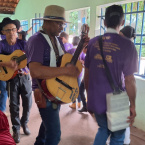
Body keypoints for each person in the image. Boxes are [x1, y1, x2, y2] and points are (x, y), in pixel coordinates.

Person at [26, 5, 83, 145]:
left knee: (46, 130)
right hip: (43, 92)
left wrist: (80, 47)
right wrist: (66, 71)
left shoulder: (57, 40)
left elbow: (62, 62)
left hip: (56, 89)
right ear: (48, 21)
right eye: (59, 23)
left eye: (63, 24)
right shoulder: (36, 40)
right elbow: (35, 71)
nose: (62, 27)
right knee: (54, 135)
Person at [84, 5, 138, 145]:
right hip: (117, 100)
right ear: (122, 22)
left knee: (103, 129)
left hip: (97, 97)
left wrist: (89, 98)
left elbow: (87, 74)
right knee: (118, 136)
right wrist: (132, 105)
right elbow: (130, 80)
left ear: (104, 22)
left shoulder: (93, 43)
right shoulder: (128, 45)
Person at [0, 17, 32, 143]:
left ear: (17, 30)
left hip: (25, 77)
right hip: (11, 79)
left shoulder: (23, 43)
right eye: (8, 30)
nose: (11, 32)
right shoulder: (1, 45)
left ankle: (25, 123)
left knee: (28, 104)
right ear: (3, 32)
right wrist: (8, 64)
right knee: (14, 106)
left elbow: (31, 57)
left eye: (13, 29)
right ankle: (16, 129)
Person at [68, 36, 85, 109]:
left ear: (72, 42)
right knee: (78, 87)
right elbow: (84, 62)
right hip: (79, 73)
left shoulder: (69, 51)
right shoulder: (82, 53)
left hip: (70, 73)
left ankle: (73, 103)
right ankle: (79, 103)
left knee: (72, 88)